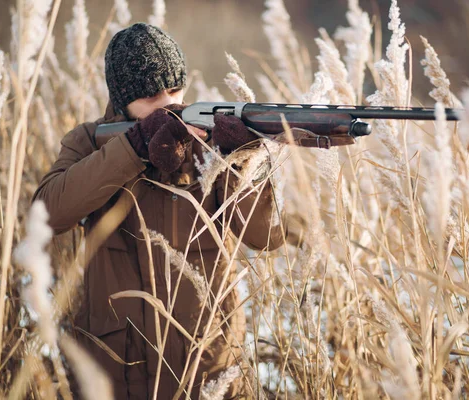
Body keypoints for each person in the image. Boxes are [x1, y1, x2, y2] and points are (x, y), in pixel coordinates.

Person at [33, 22, 283, 399]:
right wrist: (134, 146)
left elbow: (265, 236)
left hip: (208, 363)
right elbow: (48, 213)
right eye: (150, 95)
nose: (168, 103)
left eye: (175, 89)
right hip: (117, 369)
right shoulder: (89, 142)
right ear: (122, 99)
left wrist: (242, 161)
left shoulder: (209, 142)